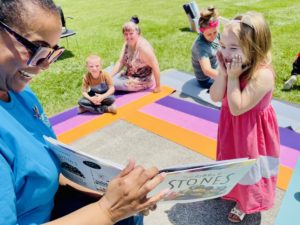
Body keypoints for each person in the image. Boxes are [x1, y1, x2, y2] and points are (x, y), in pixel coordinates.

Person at [0, 1, 166, 225]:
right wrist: (108, 210)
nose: (45, 65)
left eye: (53, 53)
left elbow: (39, 170)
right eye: (37, 49)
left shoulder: (19, 91)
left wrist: (105, 190)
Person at [210, 12, 280, 223]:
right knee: (231, 159)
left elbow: (237, 107)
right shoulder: (231, 66)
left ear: (256, 47)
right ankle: (232, 189)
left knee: (249, 167)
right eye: (222, 45)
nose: (225, 53)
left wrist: (232, 77)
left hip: (252, 132)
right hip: (232, 127)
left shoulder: (263, 75)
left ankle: (245, 202)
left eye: (233, 48)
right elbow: (215, 96)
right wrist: (223, 74)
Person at [111, 16, 161, 93]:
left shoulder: (143, 48)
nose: (128, 37)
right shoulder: (127, 44)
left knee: (108, 83)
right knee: (103, 74)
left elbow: (155, 65)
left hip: (140, 81)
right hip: (127, 76)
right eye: (126, 34)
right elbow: (121, 62)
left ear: (138, 33)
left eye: (131, 33)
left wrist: (158, 86)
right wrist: (110, 76)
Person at [191, 6, 220, 89]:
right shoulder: (200, 47)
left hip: (217, 69)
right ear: (202, 31)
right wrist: (227, 77)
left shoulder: (215, 34)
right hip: (207, 79)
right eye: (209, 34)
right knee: (232, 85)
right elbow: (207, 71)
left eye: (215, 32)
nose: (213, 36)